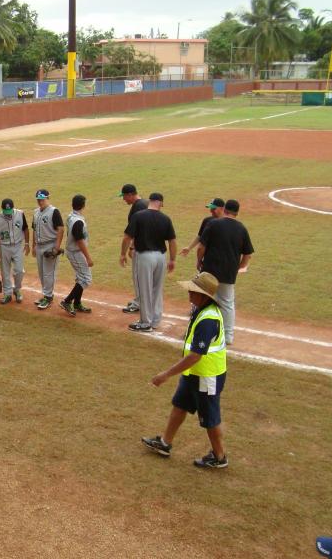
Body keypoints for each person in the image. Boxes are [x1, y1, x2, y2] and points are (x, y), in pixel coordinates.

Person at [142, 272, 228, 469]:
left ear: (204, 295)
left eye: (194, 290)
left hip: (207, 376)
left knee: (210, 418)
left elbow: (195, 355)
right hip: (194, 374)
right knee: (179, 405)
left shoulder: (208, 320)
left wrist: (165, 374)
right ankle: (165, 443)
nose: (189, 293)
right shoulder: (201, 310)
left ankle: (220, 456)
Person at [196, 199, 254, 346]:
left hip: (209, 270)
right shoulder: (241, 228)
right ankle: (228, 336)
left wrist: (199, 261)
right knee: (227, 304)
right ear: (237, 212)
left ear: (225, 209)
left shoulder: (214, 224)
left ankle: (200, 331)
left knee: (204, 300)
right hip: (228, 273)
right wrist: (239, 267)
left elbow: (201, 247)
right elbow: (248, 254)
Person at [120, 192, 177, 332]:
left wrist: (122, 253)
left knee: (144, 289)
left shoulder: (138, 216)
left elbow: (127, 237)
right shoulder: (166, 218)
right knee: (157, 289)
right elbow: (172, 241)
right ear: (161, 203)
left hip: (144, 256)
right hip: (161, 257)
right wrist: (173, 259)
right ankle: (156, 320)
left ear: (150, 201)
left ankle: (145, 322)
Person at [0, 198, 29, 304]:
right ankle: (7, 294)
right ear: (2, 209)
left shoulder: (20, 214)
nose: (8, 214)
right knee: (5, 272)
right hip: (4, 247)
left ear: (13, 208)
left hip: (17, 246)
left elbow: (25, 228)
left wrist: (27, 243)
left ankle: (17, 289)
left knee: (19, 271)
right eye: (6, 212)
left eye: (9, 211)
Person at [60, 195, 94, 317]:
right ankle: (67, 301)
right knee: (86, 279)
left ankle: (77, 303)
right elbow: (79, 241)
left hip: (75, 251)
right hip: (76, 252)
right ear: (83, 205)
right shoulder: (78, 221)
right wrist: (88, 257)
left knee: (81, 277)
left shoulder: (71, 216)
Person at [31, 189, 65, 310]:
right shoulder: (36, 212)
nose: (40, 202)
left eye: (42, 199)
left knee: (48, 273)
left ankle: (48, 297)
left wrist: (56, 247)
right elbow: (34, 229)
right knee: (41, 273)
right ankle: (46, 295)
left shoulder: (54, 211)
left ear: (47, 198)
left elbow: (60, 229)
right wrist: (33, 245)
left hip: (50, 245)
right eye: (38, 199)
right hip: (39, 246)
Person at [119, 184, 148, 314]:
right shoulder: (144, 203)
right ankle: (142, 301)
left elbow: (136, 231)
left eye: (124, 196)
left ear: (130, 194)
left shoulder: (138, 207)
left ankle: (138, 303)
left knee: (138, 277)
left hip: (141, 248)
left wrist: (130, 248)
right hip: (149, 247)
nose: (124, 199)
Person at [180, 198, 225, 263]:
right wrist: (189, 248)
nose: (211, 211)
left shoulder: (228, 224)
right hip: (208, 259)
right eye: (210, 208)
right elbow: (200, 236)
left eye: (213, 209)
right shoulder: (207, 221)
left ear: (222, 209)